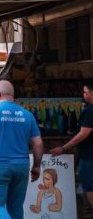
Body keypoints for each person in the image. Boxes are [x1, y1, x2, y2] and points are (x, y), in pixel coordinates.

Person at [0, 80, 43, 219]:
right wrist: (36, 166)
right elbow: (38, 144)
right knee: (16, 207)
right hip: (22, 166)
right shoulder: (27, 115)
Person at [50, 80, 93, 210]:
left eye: (85, 92)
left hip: (89, 155)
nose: (84, 95)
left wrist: (63, 148)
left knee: (89, 185)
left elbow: (83, 133)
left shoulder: (90, 110)